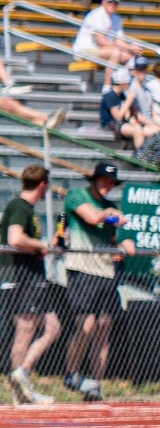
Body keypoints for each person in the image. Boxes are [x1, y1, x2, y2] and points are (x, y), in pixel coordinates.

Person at [60, 162, 135, 403]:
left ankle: (96, 385)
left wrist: (124, 245)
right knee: (86, 325)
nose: (108, 185)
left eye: (111, 182)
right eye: (104, 180)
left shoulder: (110, 206)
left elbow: (113, 237)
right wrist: (111, 215)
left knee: (103, 329)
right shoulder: (77, 196)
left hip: (106, 272)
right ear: (94, 179)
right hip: (82, 269)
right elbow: (92, 218)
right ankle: (71, 373)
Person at [0, 165, 59, 406]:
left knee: (51, 327)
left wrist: (42, 248)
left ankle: (21, 376)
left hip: (30, 274)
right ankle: (19, 381)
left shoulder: (27, 209)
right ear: (42, 184)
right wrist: (40, 245)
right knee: (26, 327)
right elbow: (15, 238)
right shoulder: (19, 206)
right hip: (19, 275)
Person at [0, 38, 65, 128]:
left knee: (11, 103)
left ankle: (40, 120)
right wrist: (1, 98)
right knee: (6, 103)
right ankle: (44, 117)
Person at [75, 0, 140, 68]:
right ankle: (108, 80)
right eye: (110, 2)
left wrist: (131, 49)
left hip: (101, 49)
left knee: (131, 56)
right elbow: (101, 42)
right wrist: (128, 48)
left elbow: (120, 40)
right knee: (116, 53)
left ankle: (123, 79)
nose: (112, 4)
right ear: (104, 2)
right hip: (85, 50)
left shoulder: (116, 18)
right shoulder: (96, 15)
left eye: (115, 3)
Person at [100, 68, 160, 148]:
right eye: (127, 83)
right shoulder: (110, 95)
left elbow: (131, 115)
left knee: (154, 130)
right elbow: (118, 117)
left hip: (124, 124)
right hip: (111, 124)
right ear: (122, 83)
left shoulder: (123, 95)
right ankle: (140, 158)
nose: (128, 85)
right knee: (137, 131)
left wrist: (148, 123)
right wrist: (128, 101)